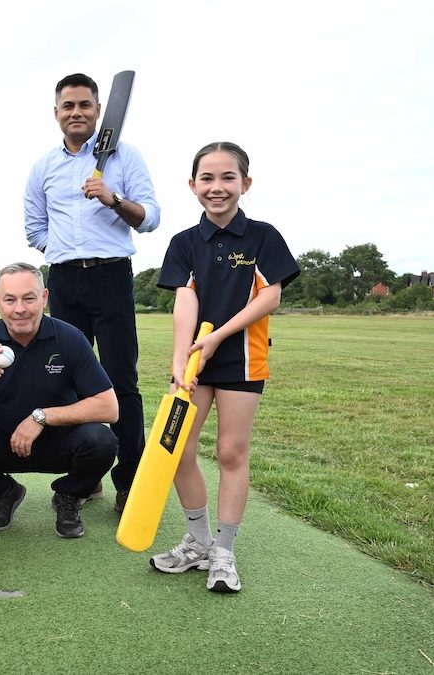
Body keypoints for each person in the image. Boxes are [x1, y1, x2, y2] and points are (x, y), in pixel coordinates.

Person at [150, 142, 299, 592]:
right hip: (197, 361)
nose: (217, 188)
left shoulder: (263, 236)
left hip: (242, 359)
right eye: (207, 179)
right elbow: (184, 299)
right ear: (193, 185)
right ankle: (197, 543)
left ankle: (224, 551)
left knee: (232, 452)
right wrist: (182, 357)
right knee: (178, 450)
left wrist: (215, 338)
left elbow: (269, 296)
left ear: (245, 184)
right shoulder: (183, 243)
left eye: (228, 178)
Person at [24, 73, 161, 514]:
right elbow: (34, 226)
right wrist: (63, 250)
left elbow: (151, 217)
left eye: (85, 105)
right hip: (64, 280)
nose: (77, 113)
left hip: (111, 277)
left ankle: (129, 481)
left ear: (98, 111)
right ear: (56, 113)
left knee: (122, 382)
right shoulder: (44, 166)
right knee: (65, 382)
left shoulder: (125, 157)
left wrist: (112, 198)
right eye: (68, 106)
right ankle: (85, 476)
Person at [0, 263, 118, 538]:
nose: (19, 308)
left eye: (29, 298)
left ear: (44, 297)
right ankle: (3, 493)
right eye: (10, 299)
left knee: (102, 440)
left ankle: (69, 496)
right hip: (4, 442)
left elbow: (109, 407)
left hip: (61, 442)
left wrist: (40, 417)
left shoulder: (69, 338)